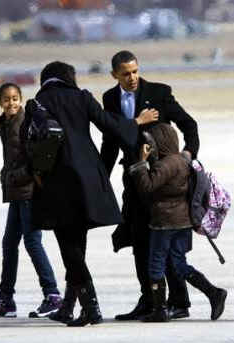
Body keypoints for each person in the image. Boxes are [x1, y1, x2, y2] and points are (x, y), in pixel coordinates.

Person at [25, 61, 159, 327]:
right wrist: (136, 122)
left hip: (57, 182)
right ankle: (68, 307)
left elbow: (27, 143)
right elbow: (109, 126)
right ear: (68, 78)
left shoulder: (37, 103)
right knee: (78, 244)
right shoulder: (82, 97)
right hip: (87, 180)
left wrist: (34, 175)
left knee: (69, 248)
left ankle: (90, 308)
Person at [100, 50, 200, 320]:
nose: (132, 78)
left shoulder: (158, 92)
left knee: (164, 241)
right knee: (139, 240)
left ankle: (179, 302)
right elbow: (110, 142)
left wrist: (188, 155)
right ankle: (150, 299)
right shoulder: (109, 99)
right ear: (114, 75)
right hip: (133, 179)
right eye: (125, 74)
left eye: (135, 71)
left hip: (161, 181)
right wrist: (100, 178)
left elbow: (189, 124)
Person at [128, 123, 227, 322]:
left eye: (152, 142)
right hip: (183, 221)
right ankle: (214, 293)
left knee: (155, 264)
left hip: (165, 221)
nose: (150, 145)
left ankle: (159, 310)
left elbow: (147, 187)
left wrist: (141, 163)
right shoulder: (182, 160)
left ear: (160, 142)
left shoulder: (166, 165)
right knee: (179, 263)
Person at [0, 83, 62, 318]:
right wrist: (8, 176)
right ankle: (6, 299)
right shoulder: (6, 123)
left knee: (32, 241)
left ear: (21, 99)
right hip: (18, 192)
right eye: (7, 99)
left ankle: (53, 295)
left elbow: (34, 159)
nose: (11, 103)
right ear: (0, 102)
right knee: (9, 244)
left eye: (15, 98)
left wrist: (11, 176)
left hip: (28, 191)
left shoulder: (22, 122)